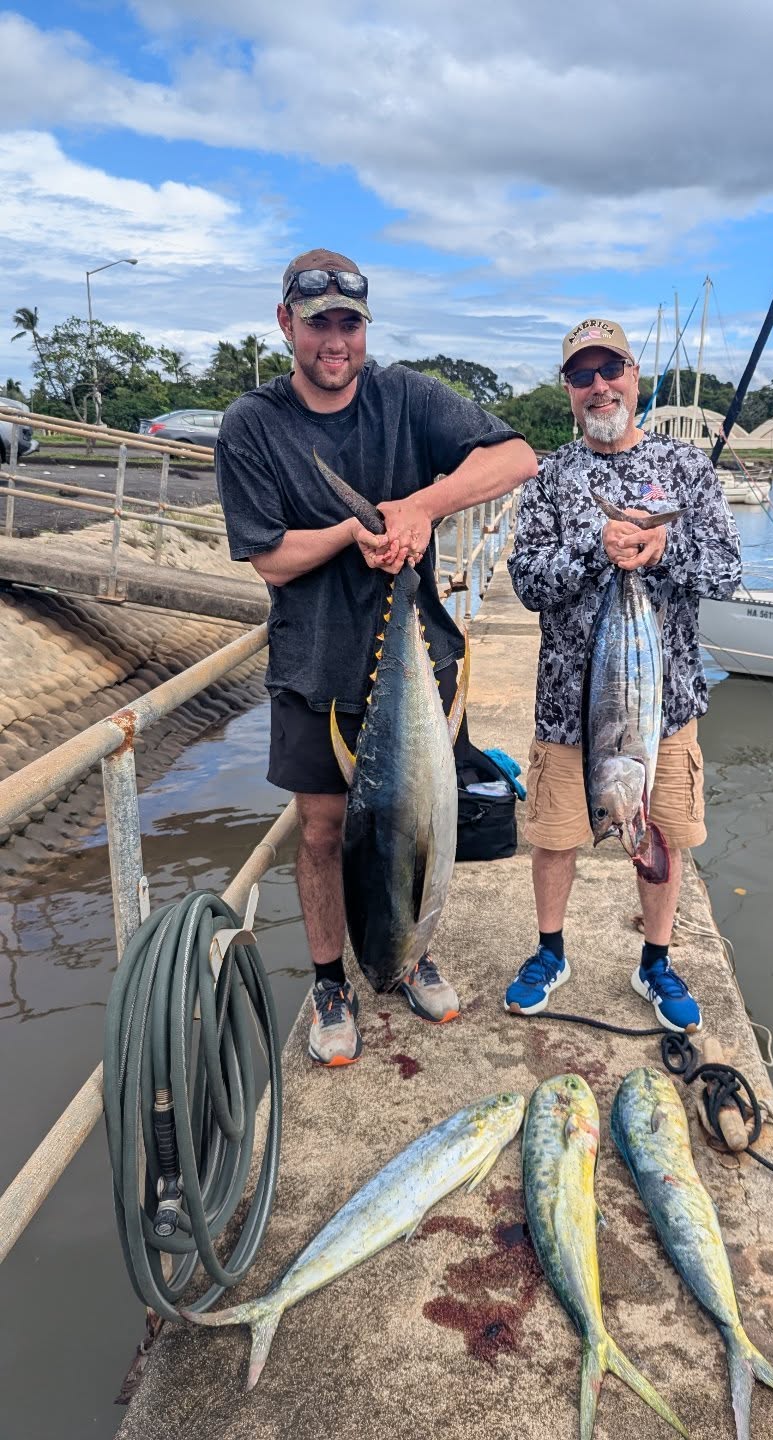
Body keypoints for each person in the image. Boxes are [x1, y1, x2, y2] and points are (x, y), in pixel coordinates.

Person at [216, 248, 537, 1066]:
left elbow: (516, 459)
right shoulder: (252, 424)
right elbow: (270, 558)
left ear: (366, 327)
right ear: (286, 322)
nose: (336, 340)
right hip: (314, 662)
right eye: (318, 322)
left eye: (349, 324)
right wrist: (358, 533)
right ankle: (332, 980)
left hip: (412, 657)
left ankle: (410, 949)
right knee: (322, 830)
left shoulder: (404, 395)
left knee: (420, 816)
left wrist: (420, 509)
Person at [505, 317, 741, 1033]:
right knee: (554, 835)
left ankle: (657, 960)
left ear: (634, 378)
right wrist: (595, 543)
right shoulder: (550, 479)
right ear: (569, 391)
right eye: (583, 376)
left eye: (611, 372)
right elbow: (527, 583)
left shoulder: (688, 470)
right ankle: (550, 952)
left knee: (664, 828)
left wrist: (661, 547)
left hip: (663, 708)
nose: (599, 387)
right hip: (564, 709)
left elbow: (727, 574)